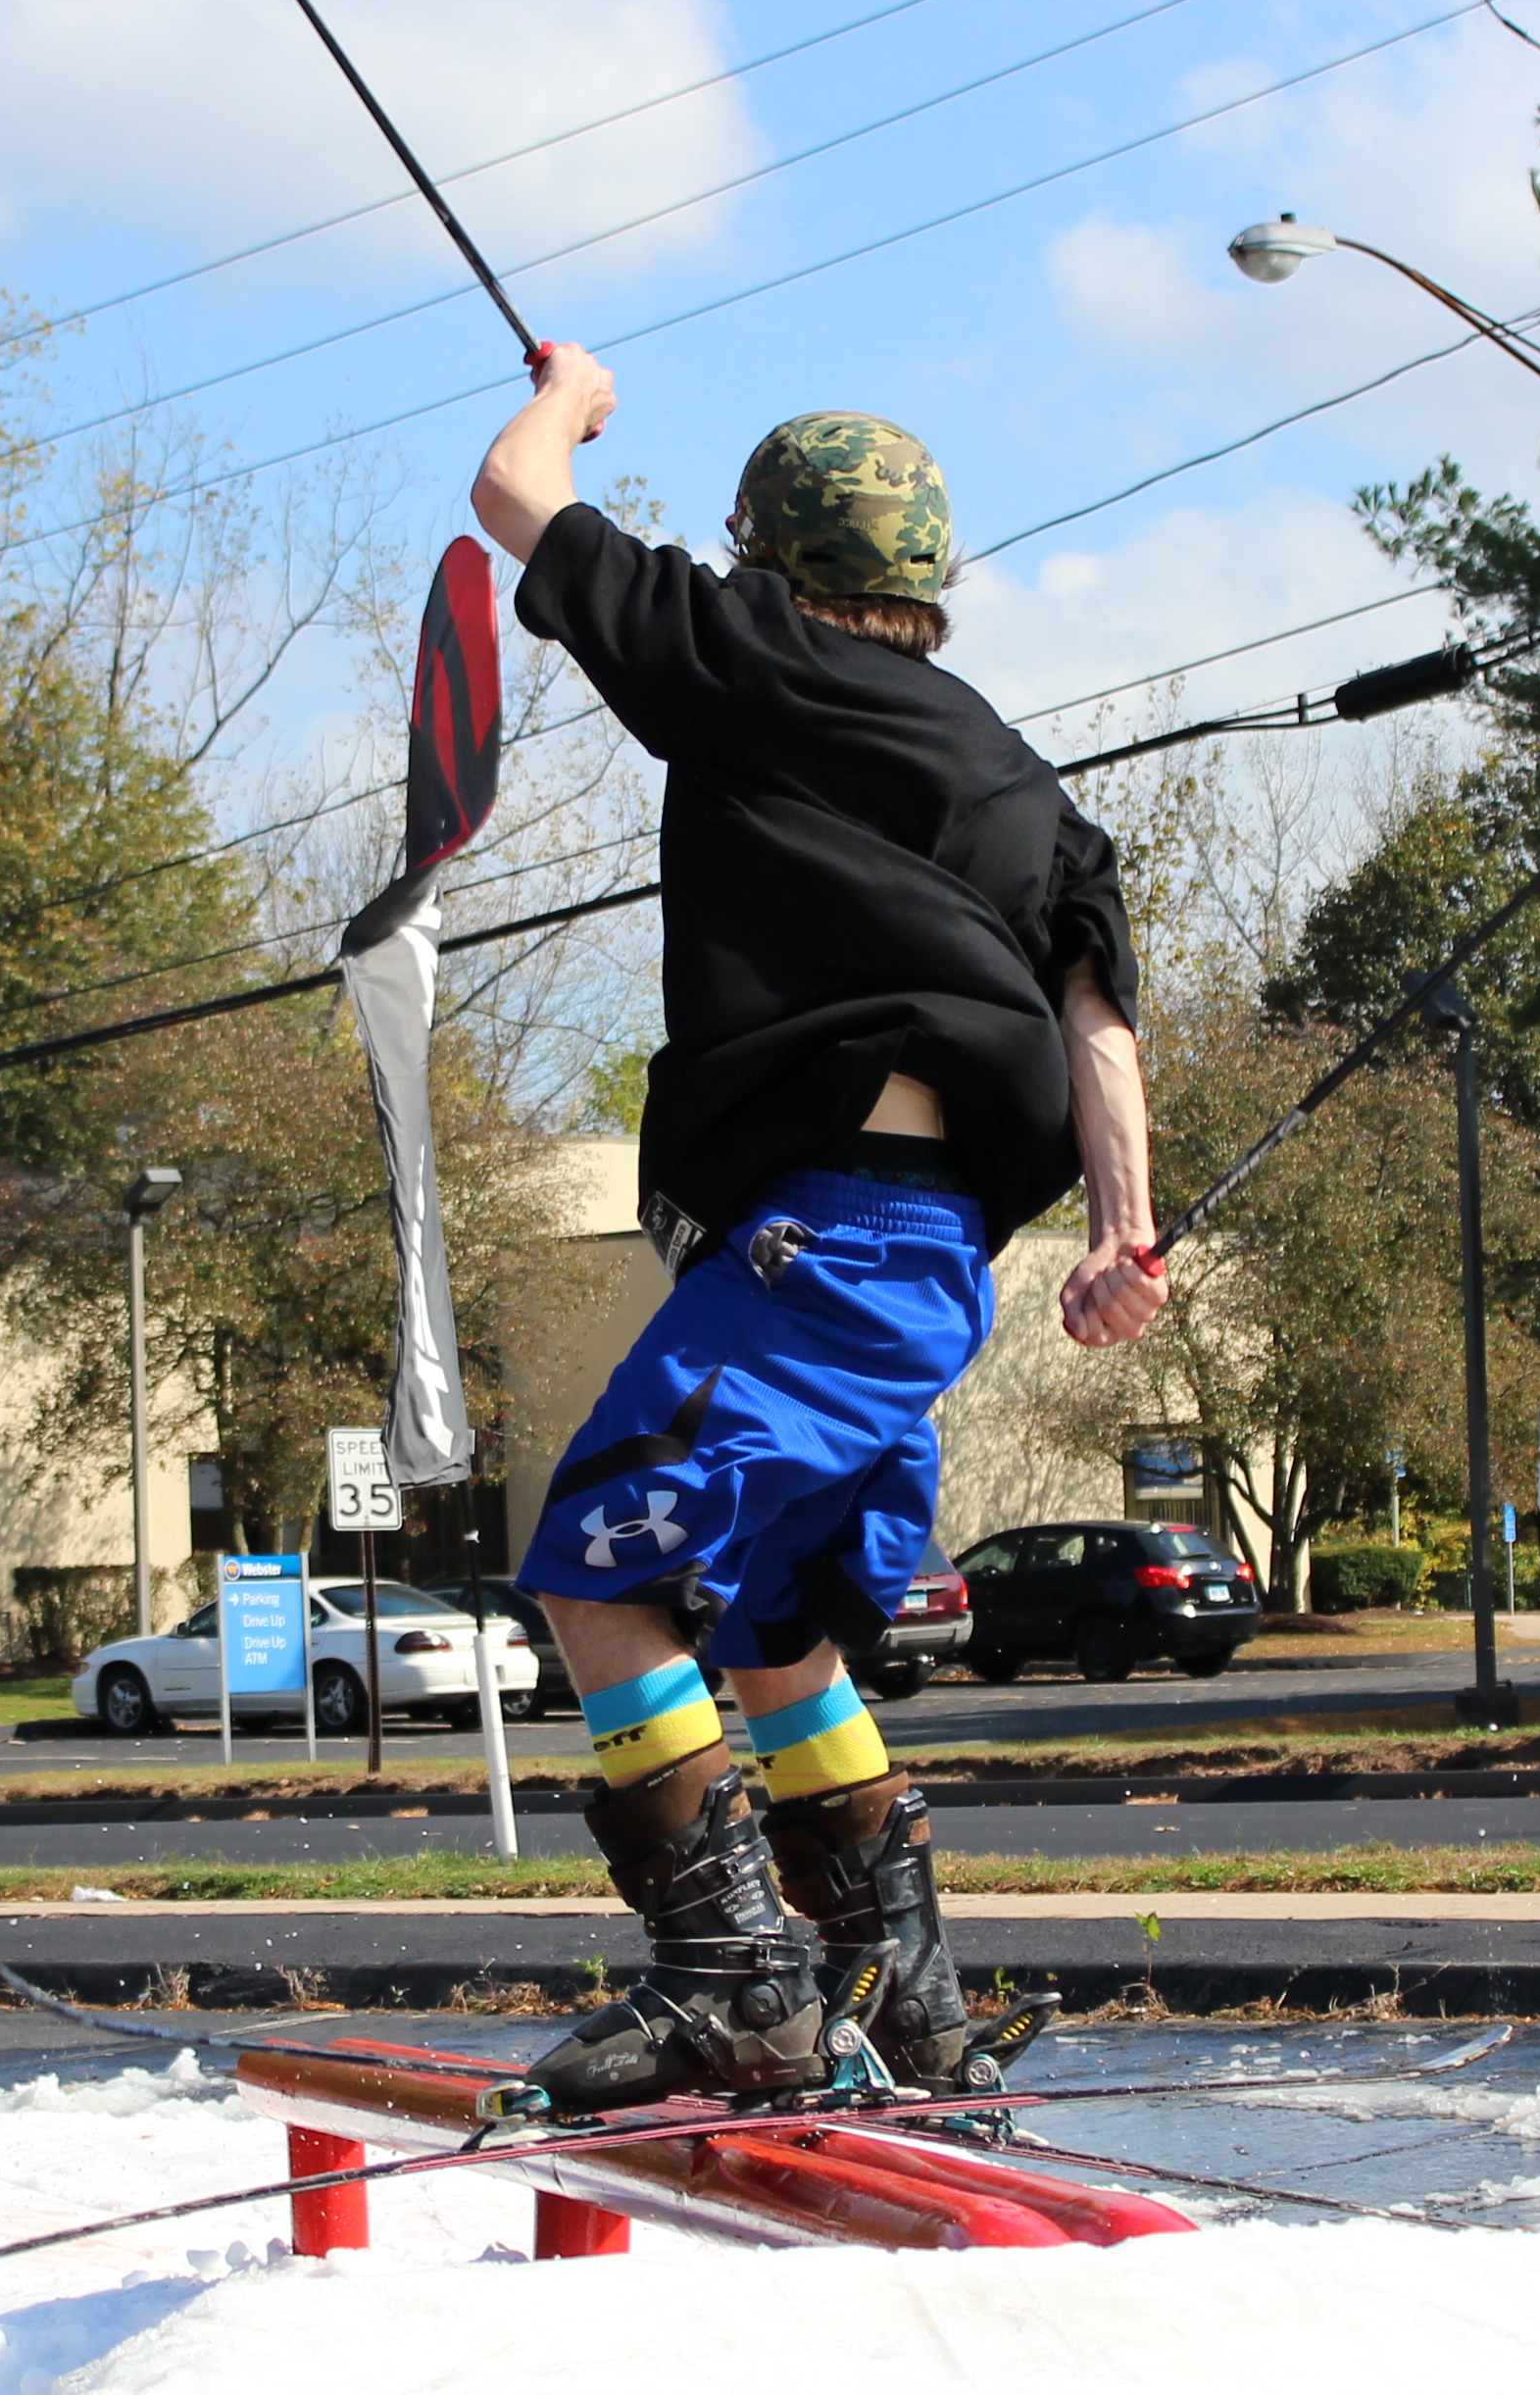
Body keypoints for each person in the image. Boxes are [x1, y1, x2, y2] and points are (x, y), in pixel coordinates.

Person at [479, 344, 1167, 2117]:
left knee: (596, 1569)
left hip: (820, 1248)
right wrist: (1126, 1235)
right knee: (778, 1628)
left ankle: (733, 1984)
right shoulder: (1020, 785)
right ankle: (904, 1995)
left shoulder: (749, 655)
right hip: (929, 1268)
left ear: (772, 557)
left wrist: (569, 393)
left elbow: (515, 496)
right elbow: (1098, 1022)